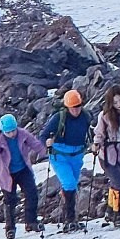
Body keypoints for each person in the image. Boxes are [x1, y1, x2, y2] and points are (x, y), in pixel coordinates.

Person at [41, 87, 93, 231]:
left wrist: (94, 144)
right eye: (73, 107)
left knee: (72, 185)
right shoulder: (59, 117)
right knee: (69, 183)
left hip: (77, 155)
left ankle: (70, 219)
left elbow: (91, 132)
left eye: (78, 106)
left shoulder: (86, 116)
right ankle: (69, 219)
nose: (76, 110)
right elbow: (43, 135)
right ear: (67, 107)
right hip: (60, 155)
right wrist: (46, 143)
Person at [0, 113, 44, 238]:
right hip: (6, 174)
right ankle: (10, 228)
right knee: (10, 200)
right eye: (9, 132)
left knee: (32, 193)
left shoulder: (22, 133)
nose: (12, 134)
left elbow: (35, 144)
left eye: (13, 130)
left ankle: (31, 222)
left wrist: (47, 152)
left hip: (23, 169)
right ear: (3, 130)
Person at [91, 84, 120, 224]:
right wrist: (97, 144)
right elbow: (99, 132)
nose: (119, 104)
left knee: (116, 183)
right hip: (108, 154)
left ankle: (110, 210)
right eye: (115, 102)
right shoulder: (104, 116)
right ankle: (118, 213)